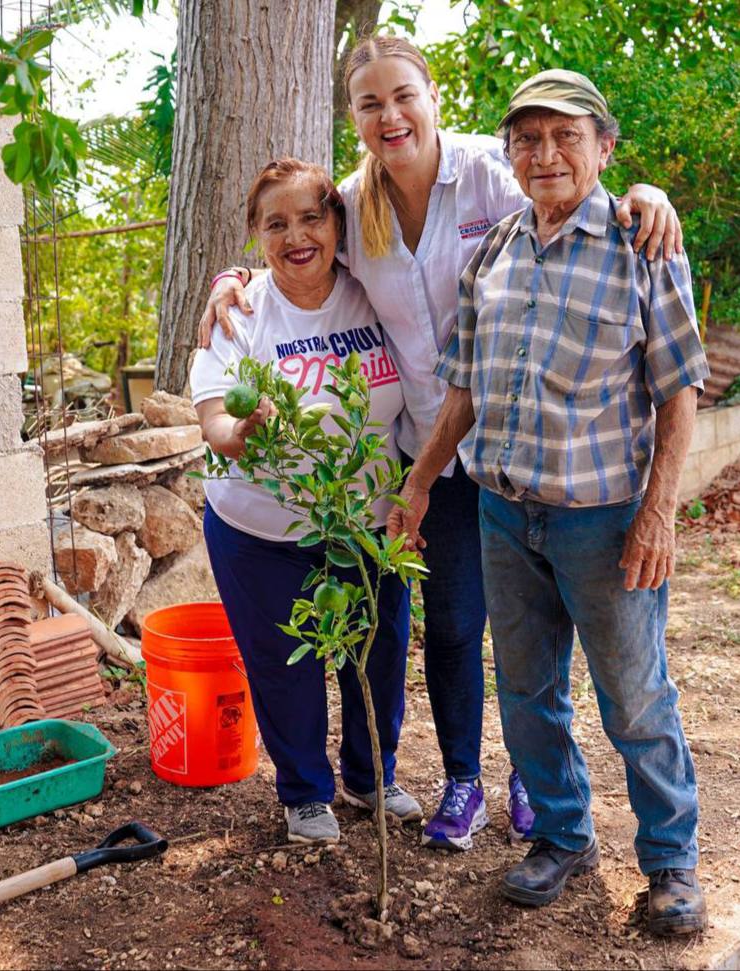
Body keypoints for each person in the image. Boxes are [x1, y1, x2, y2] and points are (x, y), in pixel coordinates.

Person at [198, 35, 683, 852]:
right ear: (353, 117)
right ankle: (465, 778)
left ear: (430, 96)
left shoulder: (491, 174)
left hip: (529, 450)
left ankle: (541, 787)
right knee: (458, 626)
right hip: (434, 452)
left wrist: (645, 191)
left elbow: (569, 181)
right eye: (369, 103)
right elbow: (292, 254)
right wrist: (230, 281)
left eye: (403, 96)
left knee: (551, 629)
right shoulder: (354, 207)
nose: (390, 116)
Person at [389, 69, 708, 935]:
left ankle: (671, 862)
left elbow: (679, 391)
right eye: (528, 138)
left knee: (635, 699)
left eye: (567, 135)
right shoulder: (494, 252)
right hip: (502, 511)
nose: (547, 153)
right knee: (527, 689)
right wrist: (419, 483)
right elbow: (461, 390)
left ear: (604, 148)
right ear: (510, 156)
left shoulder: (643, 245)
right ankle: (563, 836)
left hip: (604, 519)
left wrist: (659, 511)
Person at [190, 157, 418, 845]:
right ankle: (305, 791)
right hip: (257, 528)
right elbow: (212, 424)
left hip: (367, 523)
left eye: (311, 217)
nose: (297, 236)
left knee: (378, 654)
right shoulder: (241, 312)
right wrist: (244, 431)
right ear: (256, 236)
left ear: (336, 223)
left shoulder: (372, 290)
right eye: (276, 224)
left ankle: (371, 775)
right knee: (282, 660)